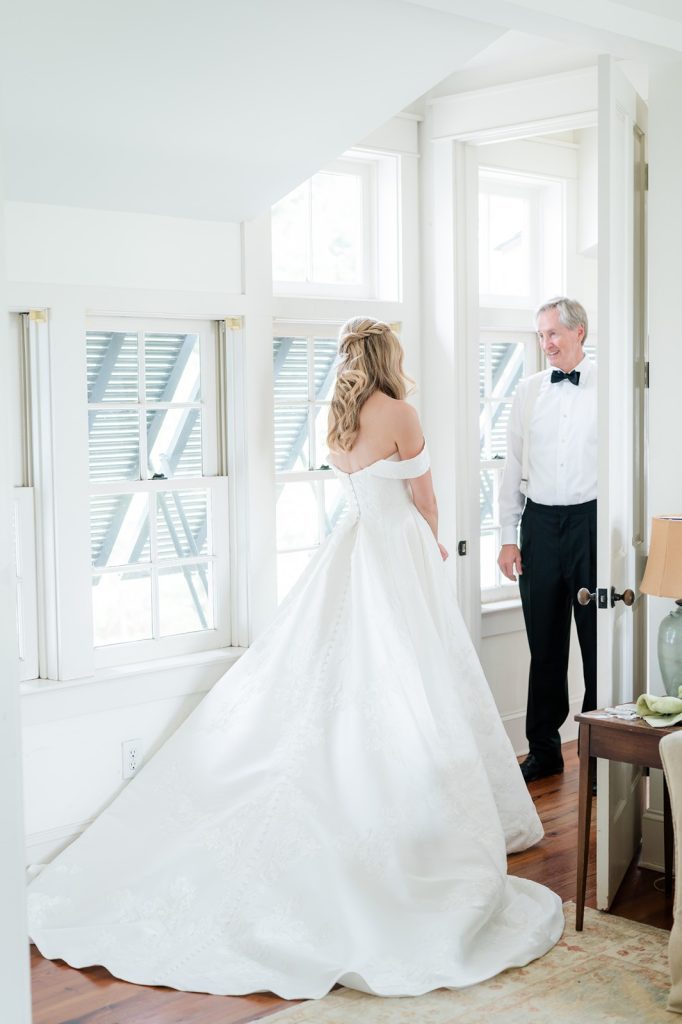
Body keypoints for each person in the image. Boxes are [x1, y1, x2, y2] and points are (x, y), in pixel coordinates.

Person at [27, 318, 563, 1000]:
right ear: (387, 357)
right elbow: (424, 498)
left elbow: (359, 485)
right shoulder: (400, 411)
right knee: (414, 679)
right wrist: (433, 547)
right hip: (394, 550)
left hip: (352, 545)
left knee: (341, 683)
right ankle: (408, 813)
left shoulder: (338, 419)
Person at [498, 298, 597, 785]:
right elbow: (512, 466)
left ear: (580, 332)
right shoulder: (528, 391)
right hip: (538, 525)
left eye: (554, 333)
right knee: (545, 643)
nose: (547, 344)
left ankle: (599, 757)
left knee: (598, 643)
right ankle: (544, 750)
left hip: (592, 523)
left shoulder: (609, 387)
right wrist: (506, 537)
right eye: (541, 336)